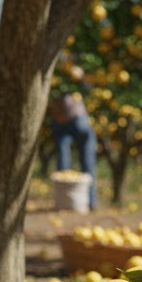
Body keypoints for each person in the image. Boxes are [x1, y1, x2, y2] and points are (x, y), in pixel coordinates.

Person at [48, 80, 98, 210]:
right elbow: (89, 87)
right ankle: (87, 203)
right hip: (75, 116)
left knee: (66, 160)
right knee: (86, 162)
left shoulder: (57, 71)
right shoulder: (73, 69)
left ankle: (65, 202)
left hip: (65, 117)